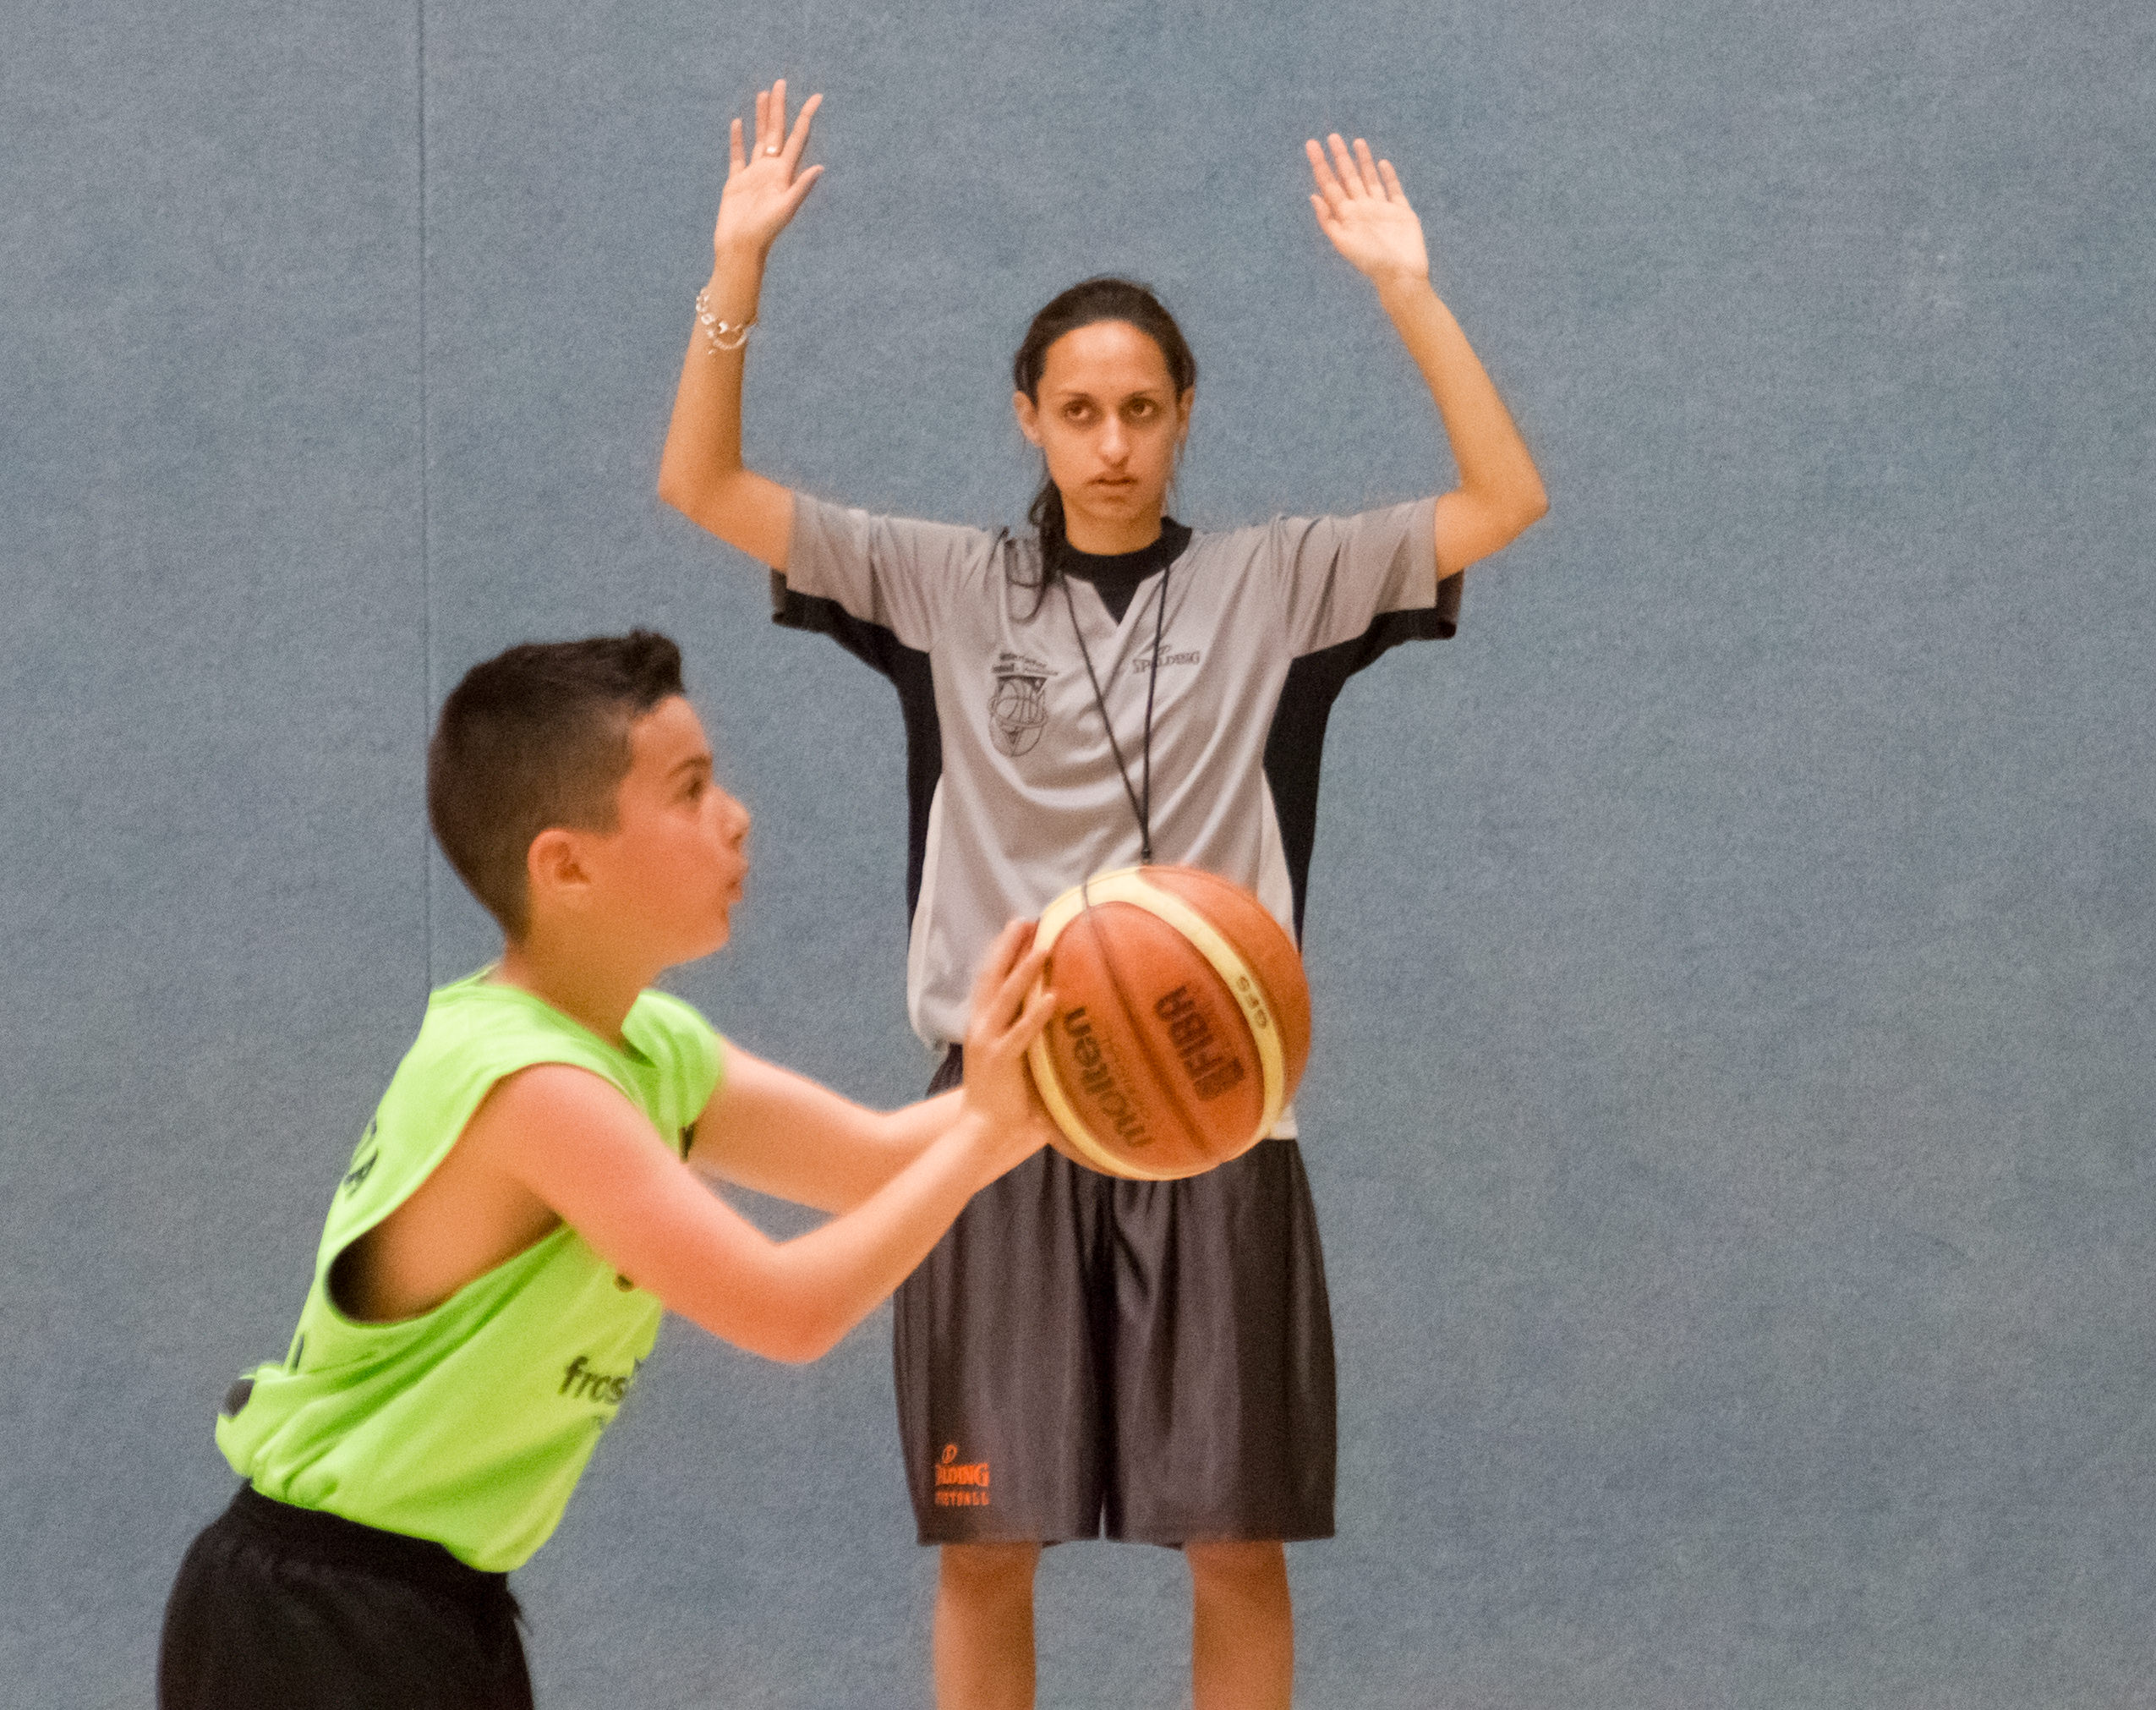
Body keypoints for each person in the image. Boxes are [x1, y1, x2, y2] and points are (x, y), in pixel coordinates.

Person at [656, 80, 1546, 1710]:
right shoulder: (941, 584)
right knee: (988, 1545)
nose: (1112, 442)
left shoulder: (1280, 581)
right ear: (1028, 418)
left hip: (1209, 1097)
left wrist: (1407, 291)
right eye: (1078, 410)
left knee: (1235, 1544)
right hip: (994, 1107)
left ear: (1184, 411)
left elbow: (1505, 500)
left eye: (1140, 408)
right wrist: (737, 271)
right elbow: (702, 486)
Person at [158, 631, 1059, 1709]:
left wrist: (1064, 1081)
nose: (736, 816)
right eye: (690, 790)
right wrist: (988, 1131)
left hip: (432, 1603)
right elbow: (788, 1311)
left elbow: (873, 1163)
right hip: (312, 1618)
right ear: (567, 866)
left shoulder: (648, 1047)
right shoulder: (531, 1086)